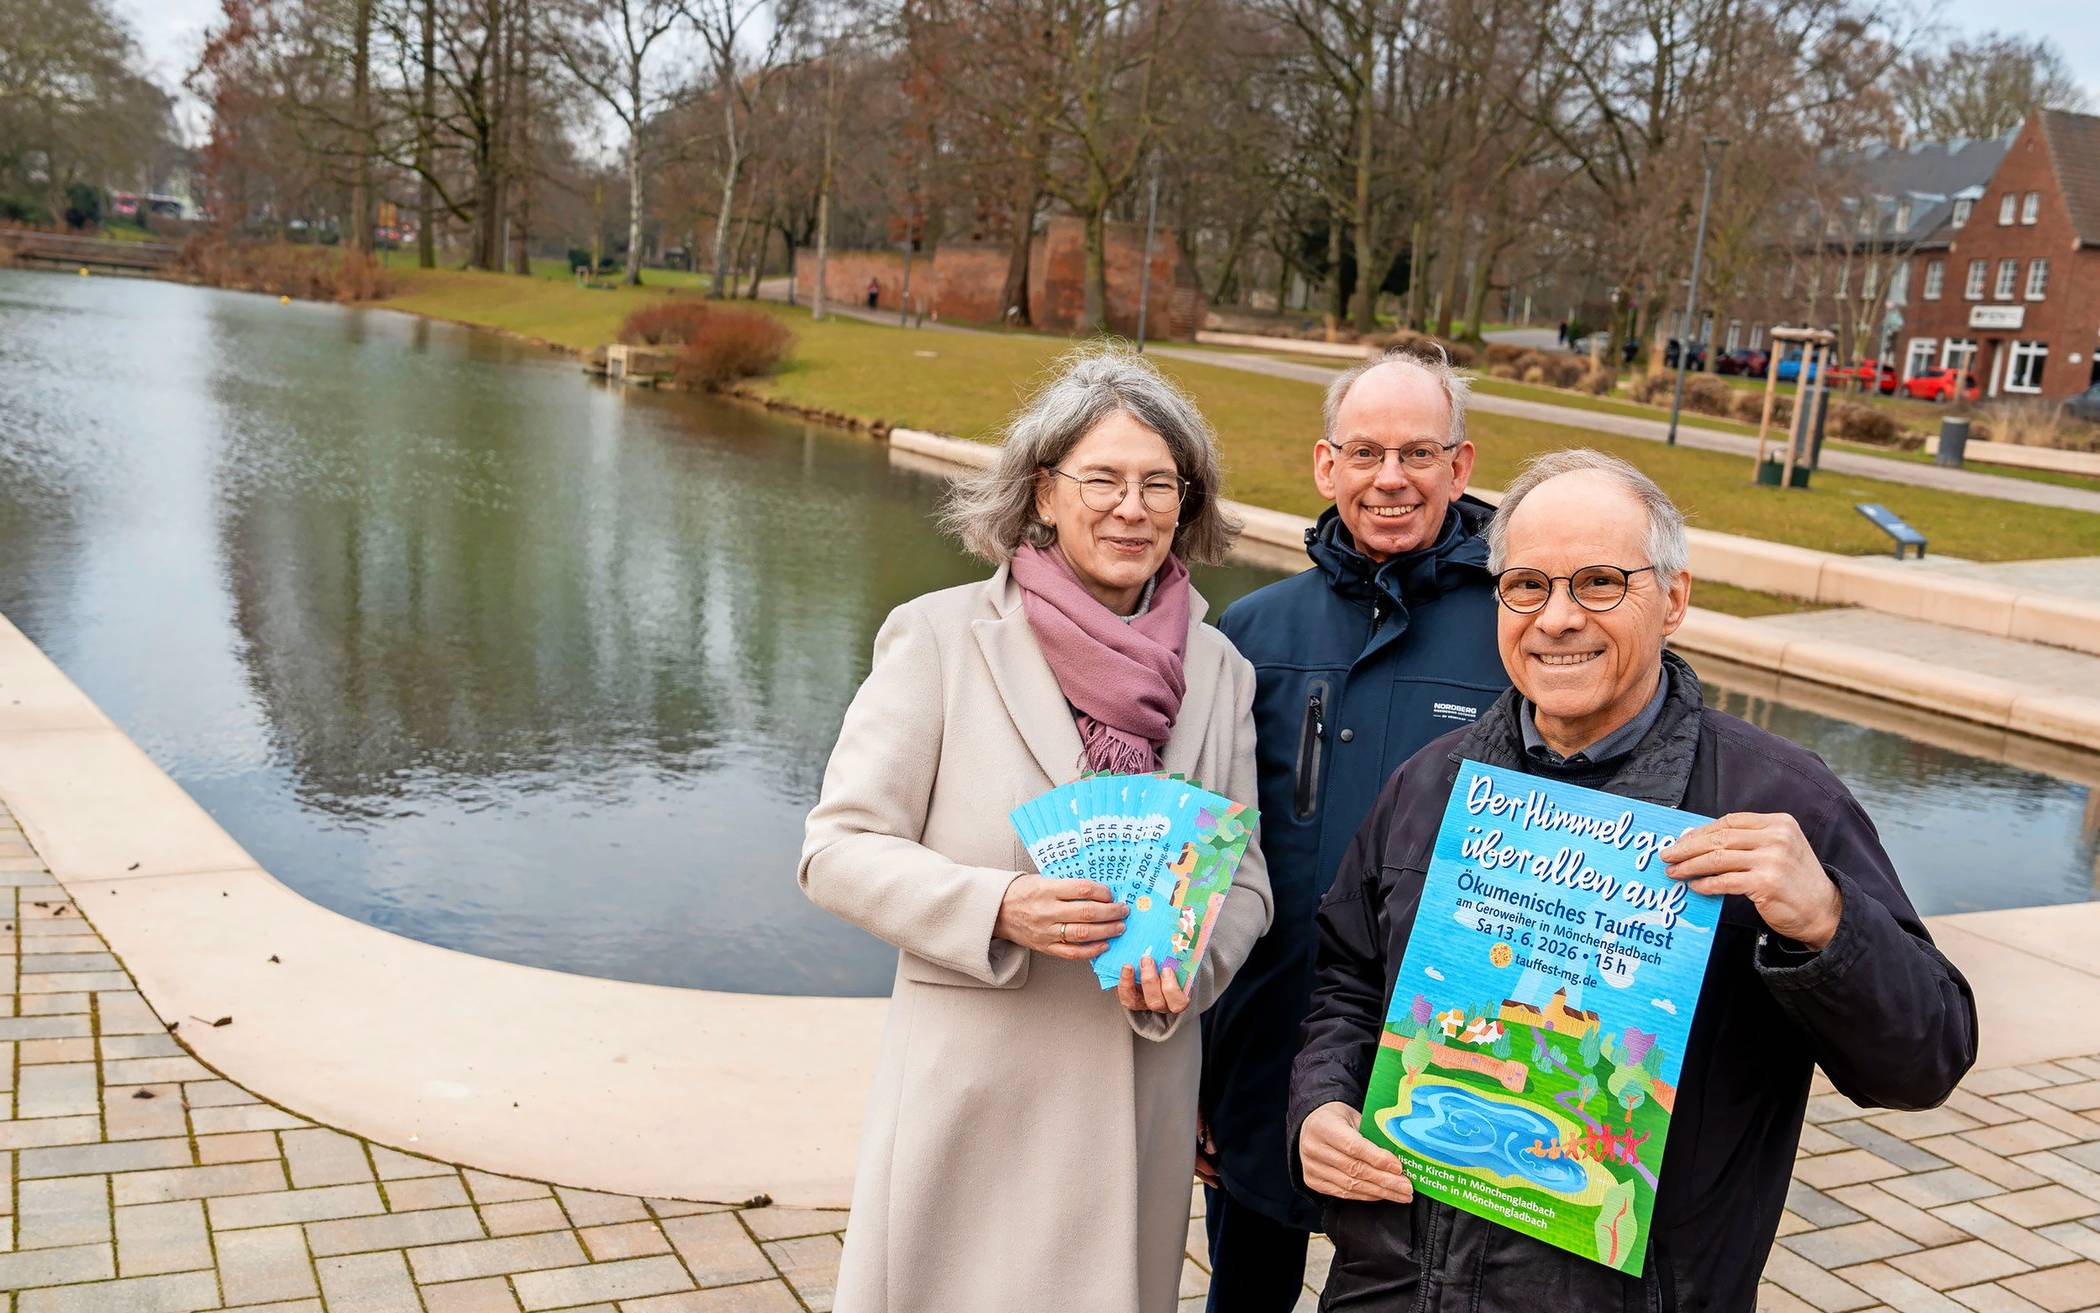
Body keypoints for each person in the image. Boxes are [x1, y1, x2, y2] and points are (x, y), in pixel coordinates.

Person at [1289, 448, 1977, 1312]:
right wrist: (1319, 1108)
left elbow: (1927, 1061)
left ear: (1675, 599)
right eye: (1528, 585)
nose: (1558, 619)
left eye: (1601, 583)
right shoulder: (1431, 783)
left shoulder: (1779, 802)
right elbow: (1348, 980)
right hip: (1391, 1289)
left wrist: (1829, 927)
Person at [801, 346, 1274, 1313]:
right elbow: (836, 848)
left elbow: (1251, 878)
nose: (1131, 507)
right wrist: (998, 904)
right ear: (1043, 493)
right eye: (1101, 477)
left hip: (1137, 1091)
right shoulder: (937, 637)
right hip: (978, 1091)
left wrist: (1194, 960)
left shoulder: (1221, 669)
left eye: (1159, 484)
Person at [1203, 348, 1506, 1311]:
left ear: (1460, 469)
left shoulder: (1517, 629)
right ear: (1326, 466)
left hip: (1447, 1066)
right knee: (1244, 1294)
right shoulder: (1250, 634)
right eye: (1366, 452)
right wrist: (1196, 1076)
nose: (1391, 478)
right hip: (1265, 1054)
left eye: (1418, 453)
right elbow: (1205, 866)